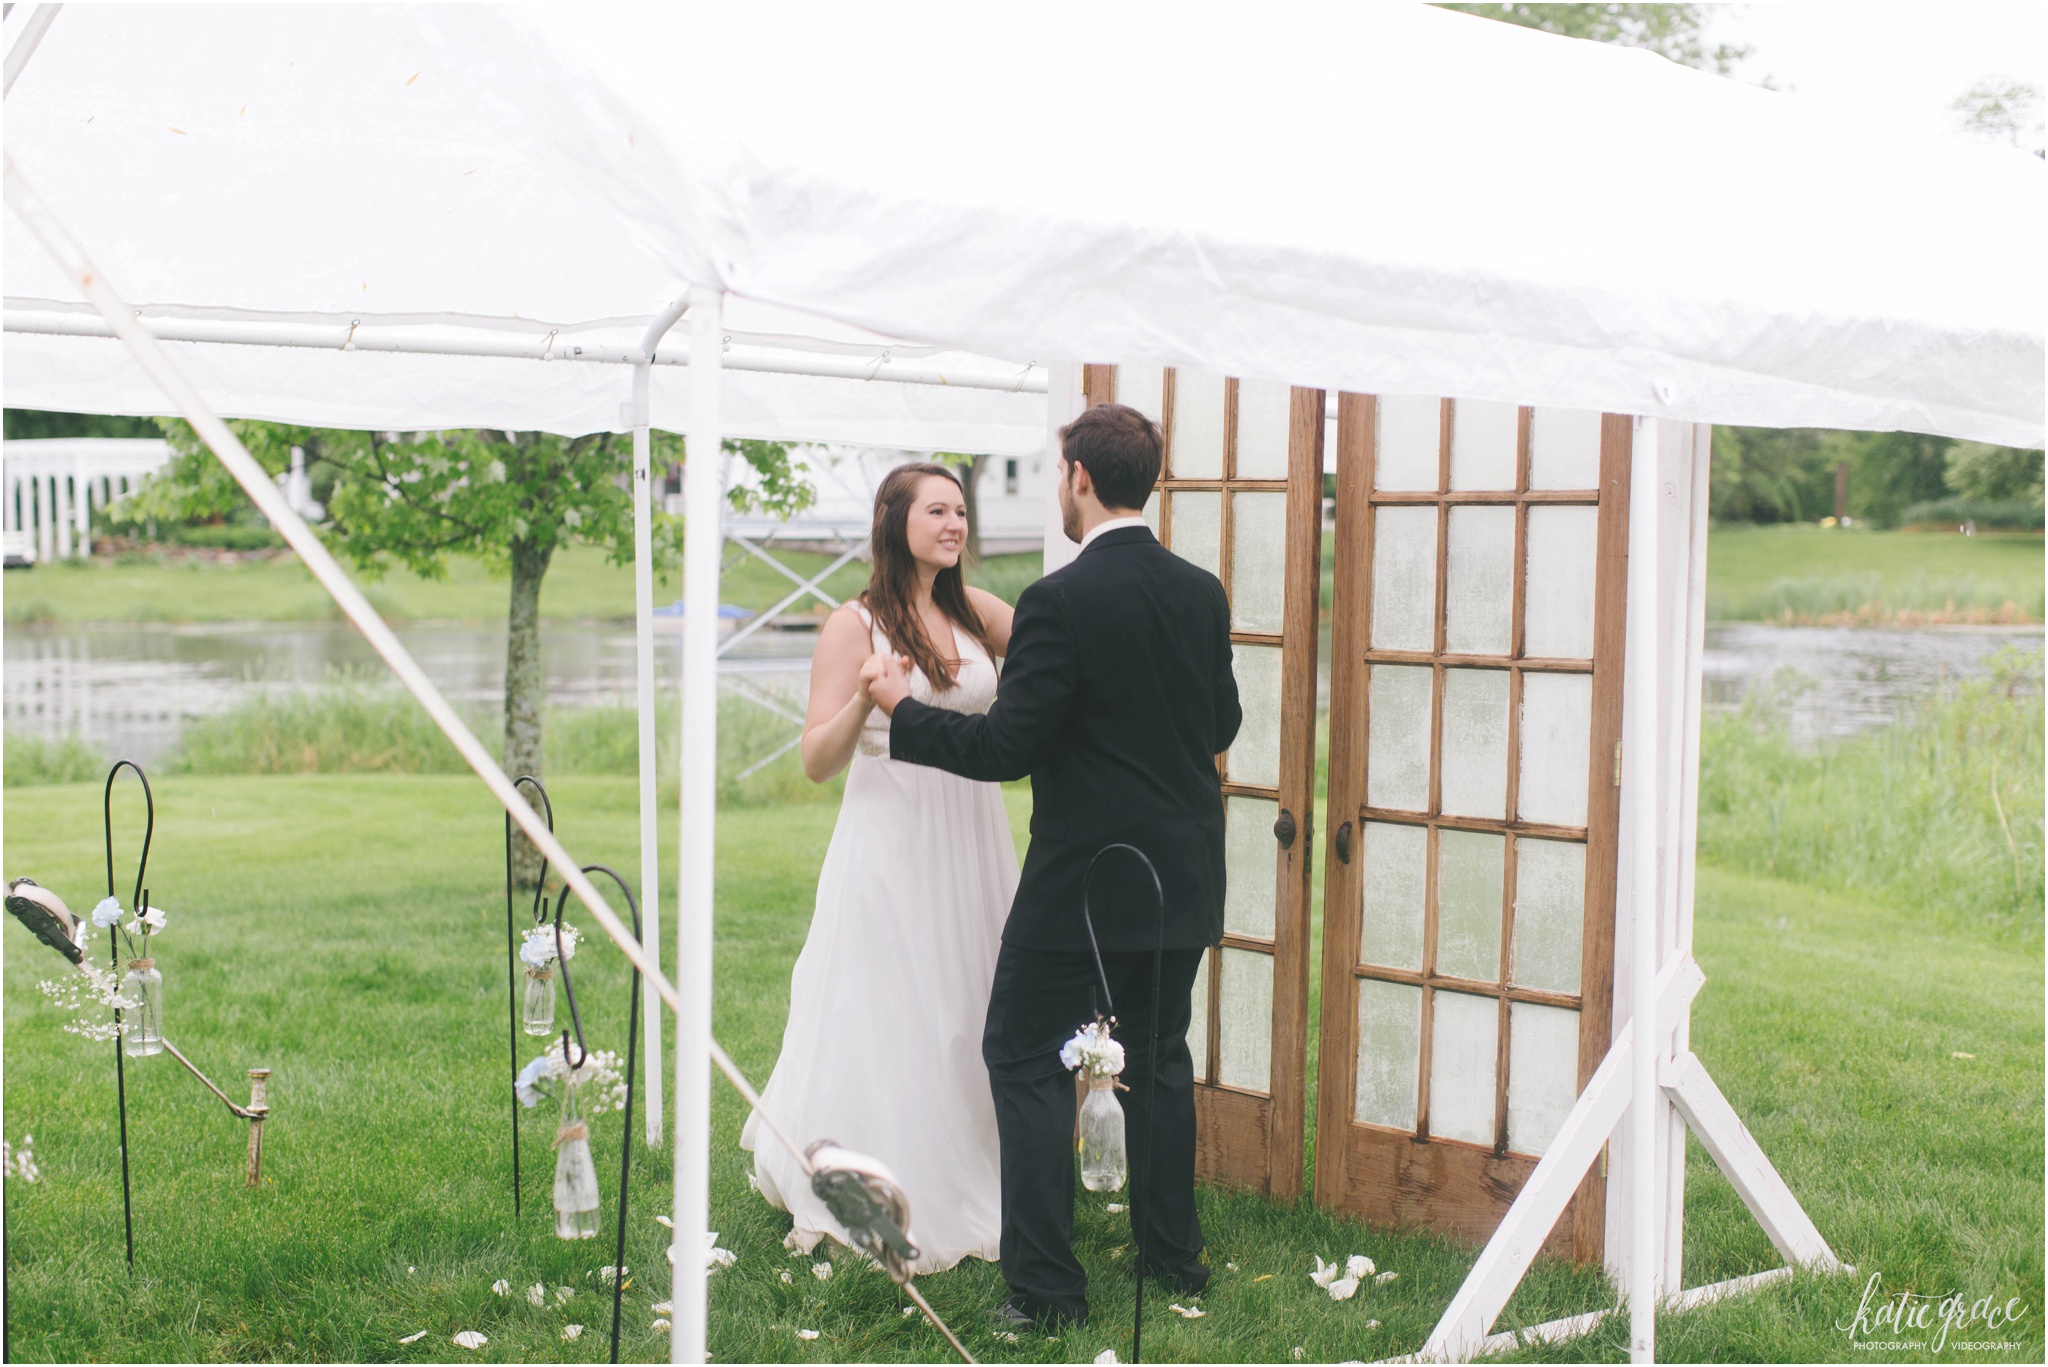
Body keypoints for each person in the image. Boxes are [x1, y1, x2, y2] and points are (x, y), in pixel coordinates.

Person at [864, 403, 1241, 1330]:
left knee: (1024, 1053)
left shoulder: (1057, 600)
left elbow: (1008, 746)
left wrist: (902, 713)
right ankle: (1174, 1258)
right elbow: (1223, 722)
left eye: (1059, 473)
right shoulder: (1201, 591)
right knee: (1158, 1057)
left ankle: (1045, 1290)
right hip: (1184, 873)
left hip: (1082, 882)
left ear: (1079, 477)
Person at [740, 461, 1018, 1273]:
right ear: (896, 520)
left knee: (971, 1001)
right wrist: (868, 698)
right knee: (895, 1004)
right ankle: (881, 1178)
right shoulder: (853, 623)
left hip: (971, 827)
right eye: (937, 511)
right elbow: (816, 761)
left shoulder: (978, 611)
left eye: (960, 510)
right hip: (892, 831)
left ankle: (981, 1166)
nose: (955, 523)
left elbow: (1057, 651)